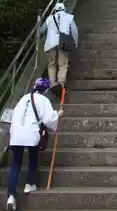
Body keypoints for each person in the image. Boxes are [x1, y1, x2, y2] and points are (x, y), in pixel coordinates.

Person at [7, 78, 64, 210]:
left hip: (16, 134)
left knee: (15, 163)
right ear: (45, 90)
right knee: (33, 158)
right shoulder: (44, 100)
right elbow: (49, 119)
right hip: (31, 133)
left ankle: (11, 195)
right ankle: (30, 183)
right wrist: (59, 114)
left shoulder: (23, 98)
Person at [40, 2, 78, 96]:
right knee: (63, 64)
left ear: (55, 10)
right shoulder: (69, 17)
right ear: (64, 9)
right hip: (63, 43)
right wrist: (75, 43)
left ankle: (52, 84)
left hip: (50, 44)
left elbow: (42, 30)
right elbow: (74, 31)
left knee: (51, 64)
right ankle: (60, 83)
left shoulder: (49, 18)